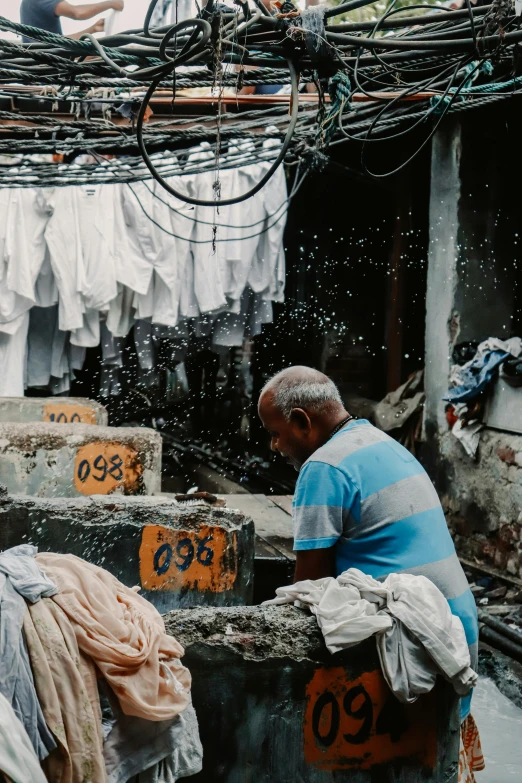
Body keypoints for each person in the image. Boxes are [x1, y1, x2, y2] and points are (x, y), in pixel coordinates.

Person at [257, 367, 479, 718]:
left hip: (420, 644)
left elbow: (308, 587)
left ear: (302, 421)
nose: (275, 446)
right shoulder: (379, 440)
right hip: (456, 629)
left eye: (275, 433)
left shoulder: (323, 467)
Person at [20, 0, 124, 41]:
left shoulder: (28, 4)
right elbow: (77, 13)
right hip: (48, 66)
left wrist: (92, 29)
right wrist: (111, 3)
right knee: (104, 53)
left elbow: (60, 41)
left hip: (43, 66)